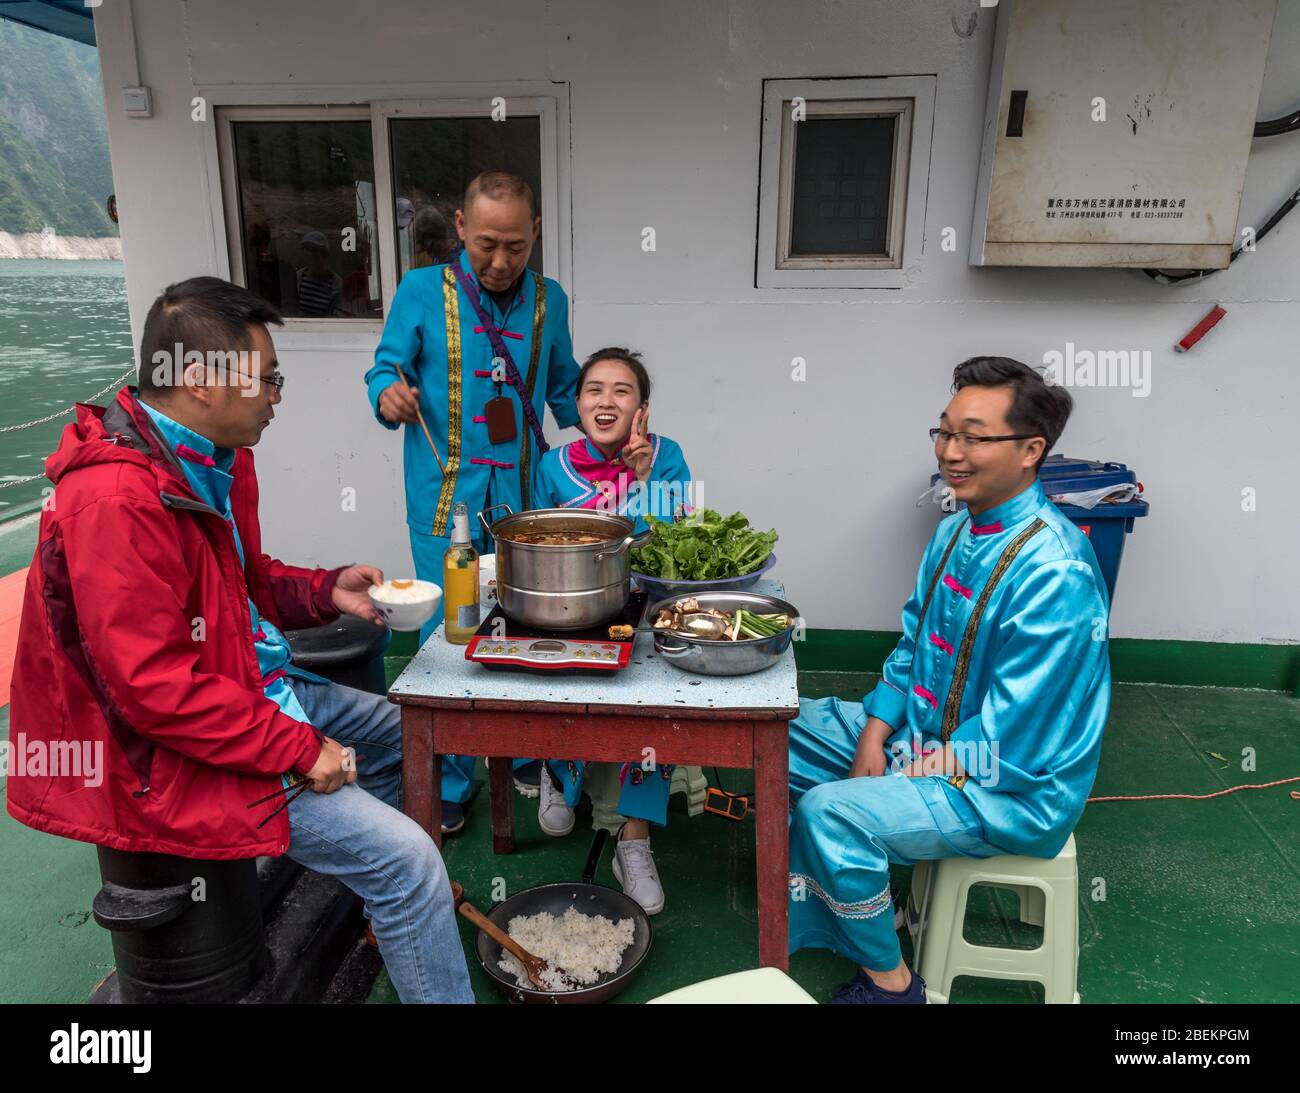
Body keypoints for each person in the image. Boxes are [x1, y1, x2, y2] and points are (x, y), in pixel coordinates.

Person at [6, 277, 473, 1004]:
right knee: (411, 860)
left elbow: (240, 588)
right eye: (268, 377)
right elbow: (154, 689)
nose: (277, 394)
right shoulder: (116, 500)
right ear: (199, 381)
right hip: (174, 753)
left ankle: (386, 909)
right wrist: (295, 747)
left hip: (252, 690)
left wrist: (324, 590)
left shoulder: (208, 458)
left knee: (411, 732)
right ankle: (400, 888)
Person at [787, 356, 1111, 1004]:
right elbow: (912, 646)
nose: (950, 452)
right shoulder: (952, 532)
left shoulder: (1056, 572)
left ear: (1030, 450)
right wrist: (874, 738)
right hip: (926, 734)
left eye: (973, 436)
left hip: (1011, 785)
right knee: (778, 726)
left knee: (832, 810)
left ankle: (891, 982)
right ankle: (832, 911)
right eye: (943, 432)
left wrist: (900, 770)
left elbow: (1014, 744)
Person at [365, 170, 581, 834]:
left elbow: (566, 389)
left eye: (515, 246)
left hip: (522, 501)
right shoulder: (421, 291)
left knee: (524, 624)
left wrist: (619, 415)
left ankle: (518, 748)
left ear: (535, 234)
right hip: (444, 500)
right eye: (486, 243)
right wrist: (386, 395)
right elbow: (384, 367)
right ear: (460, 226)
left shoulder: (551, 300)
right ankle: (454, 776)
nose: (499, 261)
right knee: (454, 635)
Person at [531, 347, 692, 914]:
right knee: (561, 683)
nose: (606, 400)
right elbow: (538, 542)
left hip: (646, 614)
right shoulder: (552, 466)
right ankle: (558, 773)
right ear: (577, 404)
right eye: (594, 389)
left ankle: (634, 839)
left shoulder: (667, 457)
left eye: (622, 391)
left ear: (642, 409)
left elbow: (672, 543)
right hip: (573, 611)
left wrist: (644, 476)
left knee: (646, 708)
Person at [295, 231, 342, 316]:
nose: (310, 253)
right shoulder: (298, 276)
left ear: (324, 253)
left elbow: (335, 314)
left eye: (314, 249)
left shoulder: (335, 282)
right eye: (307, 249)